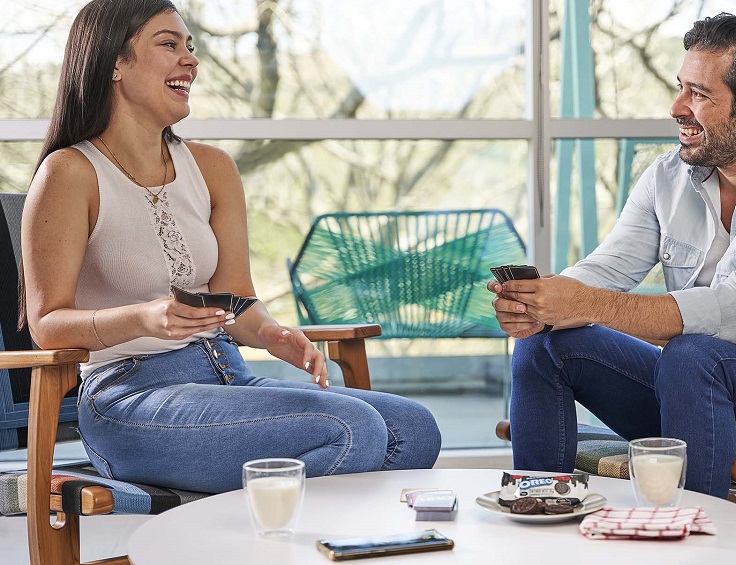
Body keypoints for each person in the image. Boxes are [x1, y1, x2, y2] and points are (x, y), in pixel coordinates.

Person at [22, 0, 441, 494]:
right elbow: (47, 324)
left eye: (191, 46)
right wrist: (145, 318)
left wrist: (270, 333)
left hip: (228, 378)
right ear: (116, 62)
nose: (190, 60)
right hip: (131, 399)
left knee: (415, 428)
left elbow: (236, 300)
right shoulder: (70, 173)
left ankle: (265, 536)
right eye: (168, 44)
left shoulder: (212, 167)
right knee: (354, 430)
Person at [490, 12, 736, 499]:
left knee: (693, 351)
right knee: (546, 343)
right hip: (689, 393)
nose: (677, 107)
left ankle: (690, 542)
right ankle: (538, 512)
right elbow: (609, 270)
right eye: (681, 87)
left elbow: (734, 310)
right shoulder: (667, 177)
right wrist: (543, 303)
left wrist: (583, 304)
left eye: (700, 94)